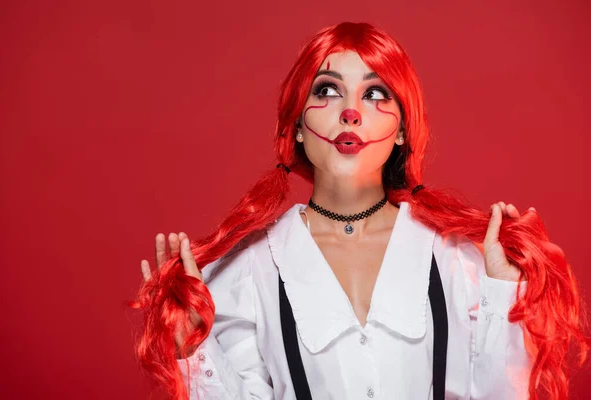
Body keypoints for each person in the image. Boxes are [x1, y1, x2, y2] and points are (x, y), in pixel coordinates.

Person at [131, 22, 588, 400]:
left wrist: (503, 289)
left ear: (403, 131)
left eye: (375, 95)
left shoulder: (456, 259)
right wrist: (193, 353)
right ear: (298, 129)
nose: (350, 112)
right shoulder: (249, 271)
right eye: (328, 90)